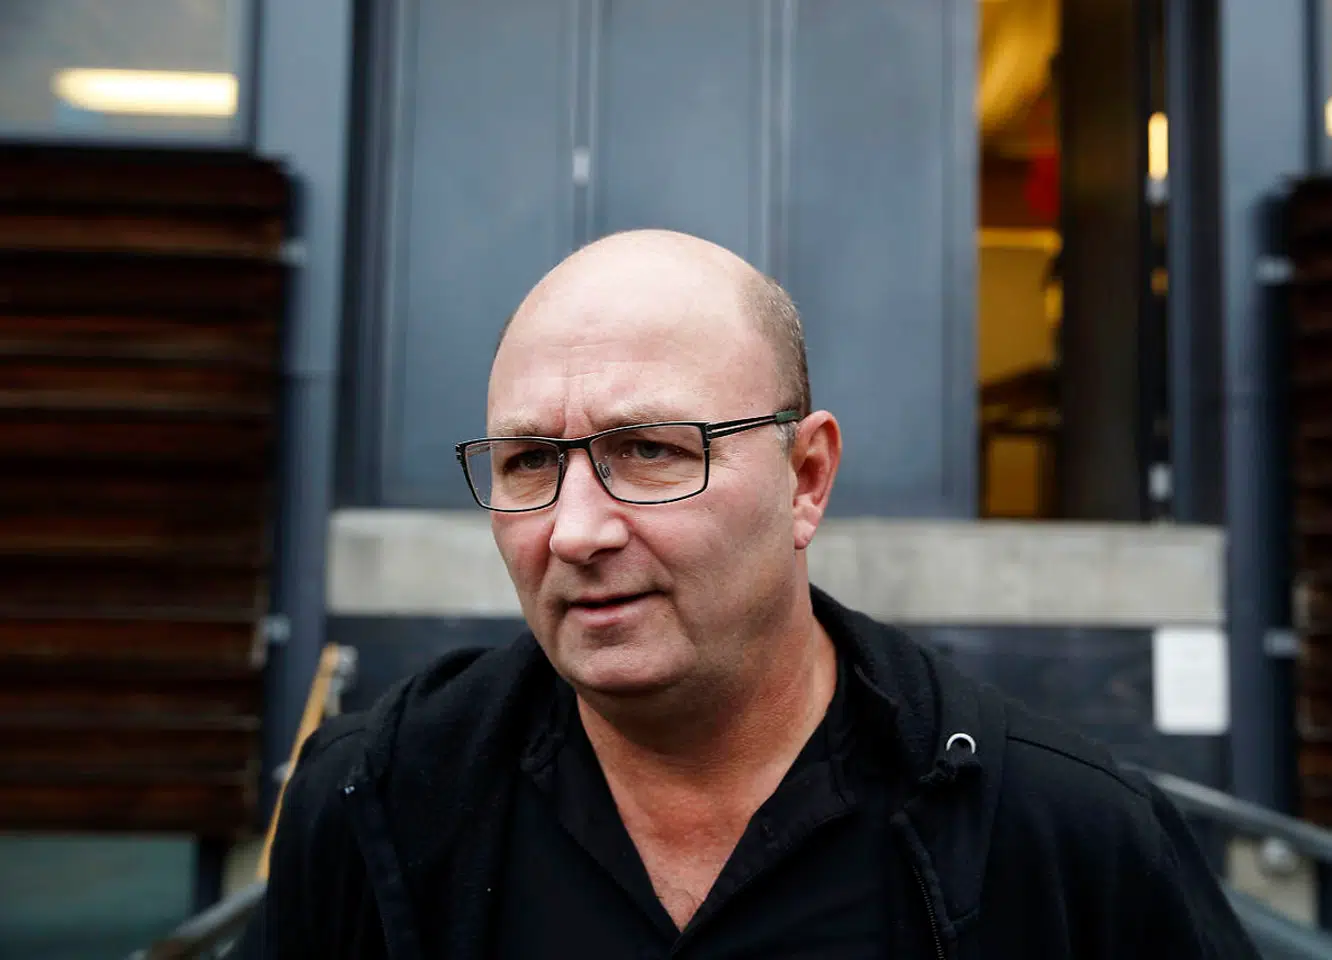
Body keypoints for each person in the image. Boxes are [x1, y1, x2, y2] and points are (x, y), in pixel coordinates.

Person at [262, 229, 1259, 958]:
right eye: (528, 463)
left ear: (806, 478)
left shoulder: (1063, 844)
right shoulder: (378, 804)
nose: (574, 531)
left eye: (649, 451)